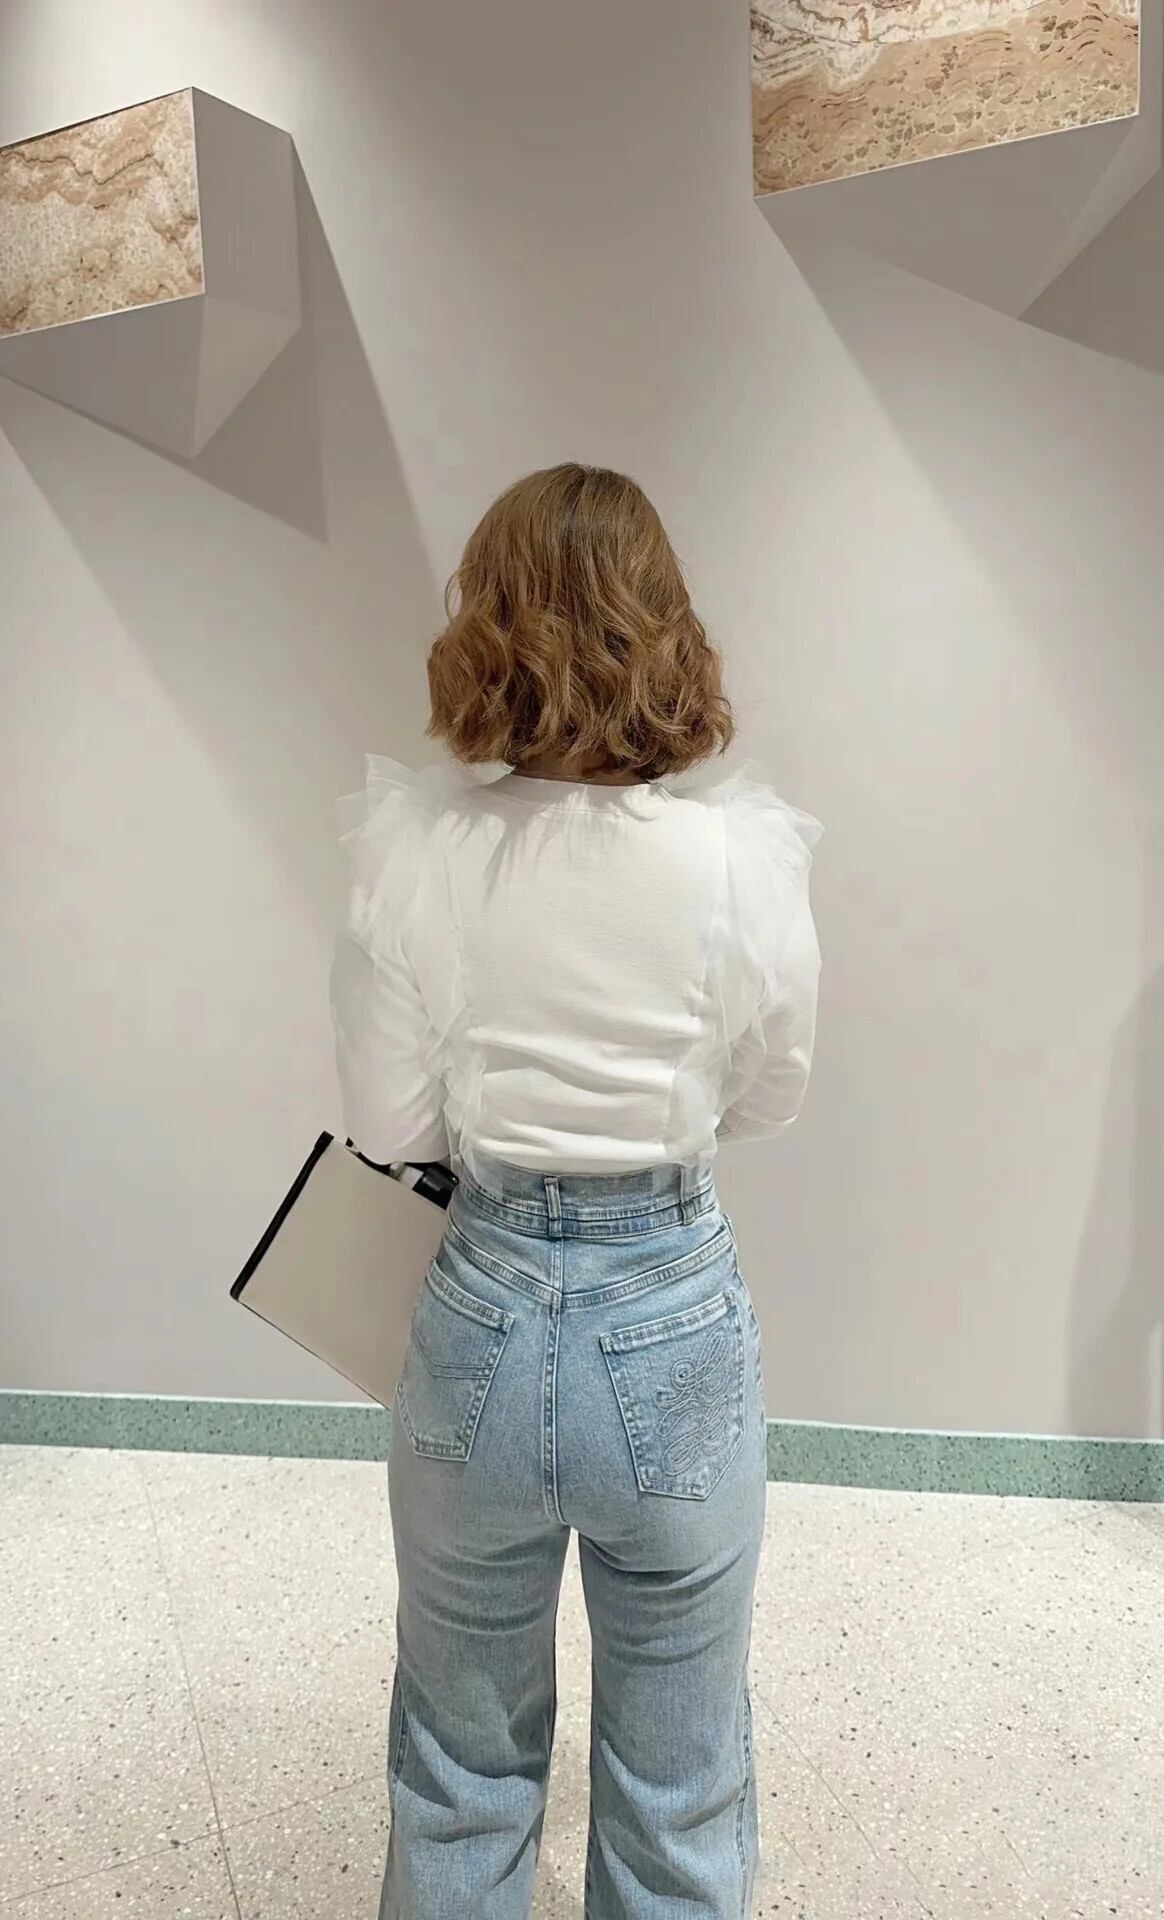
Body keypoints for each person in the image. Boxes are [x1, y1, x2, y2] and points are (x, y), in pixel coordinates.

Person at [331, 462, 822, 1919]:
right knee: (680, 1780)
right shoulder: (742, 860)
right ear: (666, 626)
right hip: (673, 1317)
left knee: (459, 1762)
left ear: (486, 625)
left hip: (479, 1309)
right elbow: (771, 1098)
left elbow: (386, 1119)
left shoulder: (415, 847)